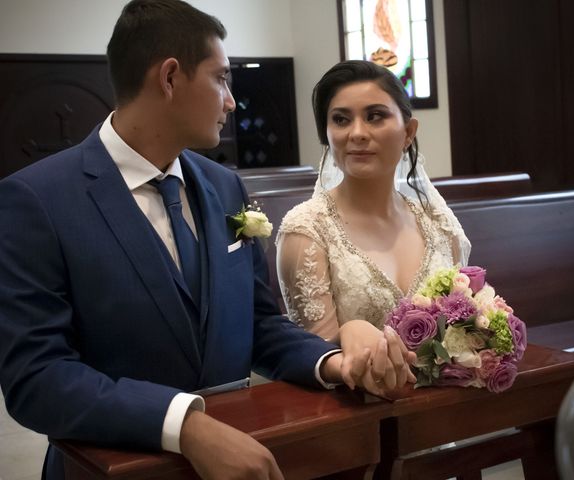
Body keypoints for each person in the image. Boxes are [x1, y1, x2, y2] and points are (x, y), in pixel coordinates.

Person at [0, 4, 414, 479]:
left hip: (242, 452)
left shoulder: (223, 186)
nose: (232, 101)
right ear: (171, 78)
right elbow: (36, 378)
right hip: (112, 468)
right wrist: (183, 425)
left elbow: (258, 323)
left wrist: (333, 362)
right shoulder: (37, 199)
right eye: (221, 78)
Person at [277, 60, 471, 341]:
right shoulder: (306, 231)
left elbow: (464, 329)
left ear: (408, 132)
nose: (357, 133)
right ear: (327, 135)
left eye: (375, 116)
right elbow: (320, 356)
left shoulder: (438, 223)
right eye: (341, 119)